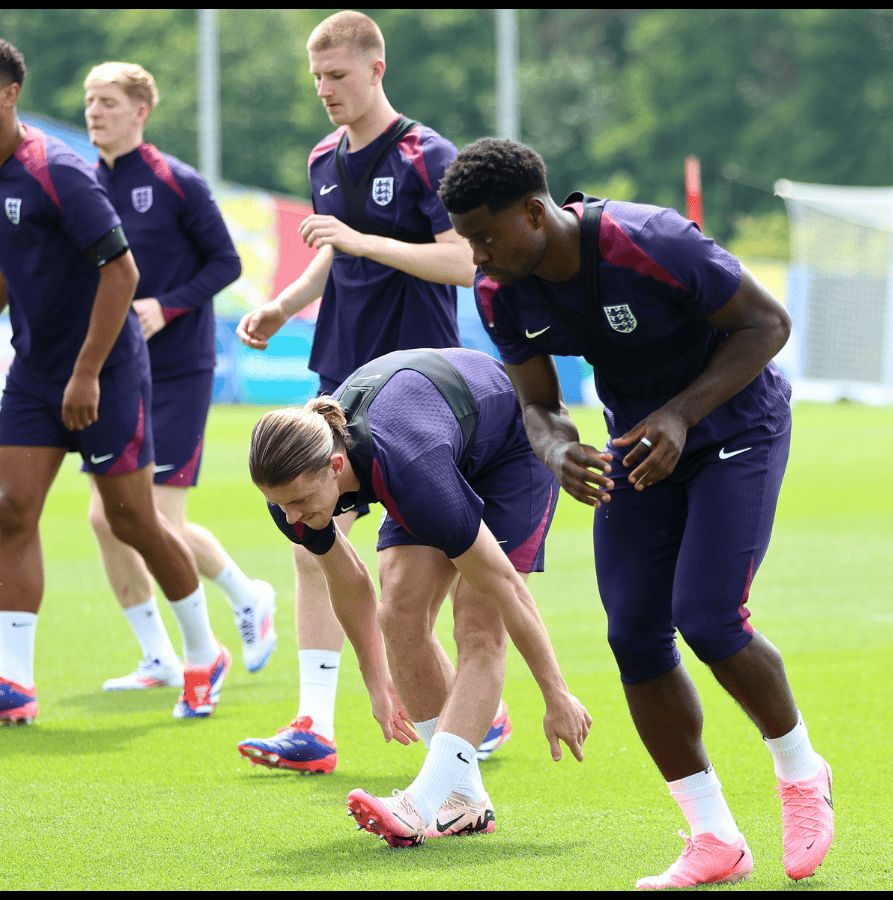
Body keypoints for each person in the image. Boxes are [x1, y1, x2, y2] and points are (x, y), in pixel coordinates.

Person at [438, 139, 834, 886]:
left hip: (737, 428)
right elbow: (538, 404)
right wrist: (557, 451)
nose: (477, 257)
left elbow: (767, 324)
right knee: (633, 635)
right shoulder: (499, 290)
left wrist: (681, 414)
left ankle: (801, 773)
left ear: (534, 213)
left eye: (486, 237)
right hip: (642, 443)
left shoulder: (648, 241)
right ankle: (713, 838)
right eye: (467, 240)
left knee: (709, 619)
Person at [234, 11, 508, 774]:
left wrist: (361, 242)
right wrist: (284, 304)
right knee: (310, 537)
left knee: (431, 569)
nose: (325, 90)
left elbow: (463, 262)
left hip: (420, 393)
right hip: (340, 383)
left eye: (338, 76)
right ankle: (314, 725)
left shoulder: (427, 155)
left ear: (376, 70)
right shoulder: (323, 157)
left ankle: (475, 703)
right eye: (316, 78)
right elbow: (333, 250)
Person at [0, 37, 228, 725]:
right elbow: (10, 254)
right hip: (34, 372)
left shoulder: (58, 171)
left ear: (9, 94)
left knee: (133, 520)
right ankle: (14, 683)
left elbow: (121, 272)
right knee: (12, 508)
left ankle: (202, 652)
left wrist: (88, 373)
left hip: (108, 371)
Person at [248, 347, 590, 847]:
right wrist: (376, 681)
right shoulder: (289, 495)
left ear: (336, 465)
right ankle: (465, 802)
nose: (292, 518)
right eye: (281, 505)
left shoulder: (409, 470)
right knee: (400, 615)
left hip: (511, 449)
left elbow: (508, 591)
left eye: (299, 502)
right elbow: (350, 583)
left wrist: (556, 693)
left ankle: (420, 804)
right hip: (439, 443)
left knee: (478, 626)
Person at [83, 61, 276, 691]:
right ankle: (158, 658)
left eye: (109, 101)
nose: (95, 112)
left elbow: (227, 263)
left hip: (178, 370)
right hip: (114, 373)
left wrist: (165, 307)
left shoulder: (176, 182)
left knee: (158, 518)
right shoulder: (81, 186)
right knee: (104, 518)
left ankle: (246, 596)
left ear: (141, 111)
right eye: (90, 101)